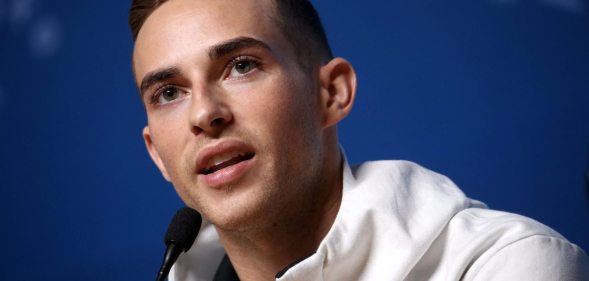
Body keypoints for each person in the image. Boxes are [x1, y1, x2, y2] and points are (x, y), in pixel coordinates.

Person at [128, 0, 589, 280]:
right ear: (157, 155)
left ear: (331, 93)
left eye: (242, 66)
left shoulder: (507, 267)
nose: (205, 113)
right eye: (169, 93)